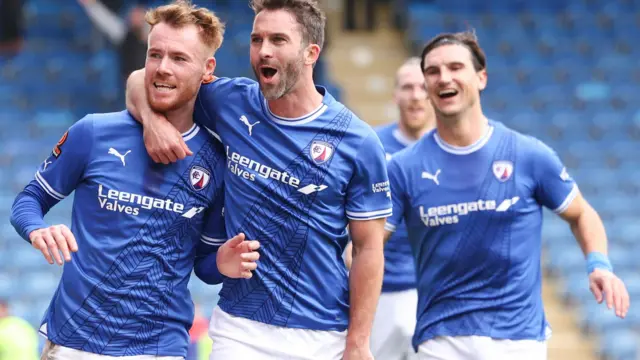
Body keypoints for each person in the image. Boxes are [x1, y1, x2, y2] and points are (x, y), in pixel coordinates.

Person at [126, 0, 392, 359]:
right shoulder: (229, 101)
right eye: (256, 39)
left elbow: (368, 249)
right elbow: (141, 79)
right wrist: (153, 121)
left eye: (278, 40)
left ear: (311, 52)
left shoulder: (357, 141)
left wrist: (358, 342)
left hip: (321, 333)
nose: (263, 51)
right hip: (240, 328)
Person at [9, 3, 260, 359]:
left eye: (179, 58)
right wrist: (37, 229)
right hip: (74, 343)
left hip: (159, 349)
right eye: (154, 54)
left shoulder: (217, 162)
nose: (162, 68)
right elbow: (27, 201)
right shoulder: (93, 132)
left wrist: (222, 263)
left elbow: (203, 264)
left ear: (207, 70)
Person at [384, 31, 630, 360]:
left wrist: (599, 264)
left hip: (519, 342)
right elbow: (367, 245)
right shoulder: (403, 168)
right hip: (441, 342)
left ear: (481, 77)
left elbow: (582, 214)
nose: (444, 78)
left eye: (456, 67)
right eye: (433, 71)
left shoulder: (528, 155)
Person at [345, 57, 434, 360]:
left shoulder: (450, 151)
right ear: (395, 94)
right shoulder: (371, 147)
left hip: (433, 295)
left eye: (423, 87)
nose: (416, 95)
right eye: (408, 87)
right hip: (378, 295)